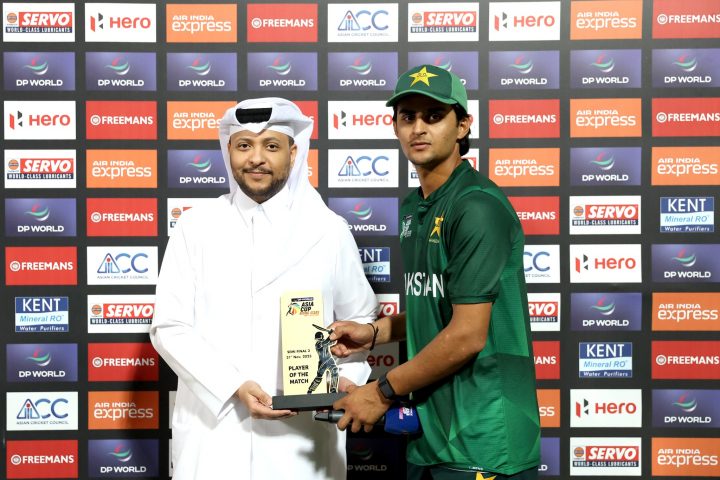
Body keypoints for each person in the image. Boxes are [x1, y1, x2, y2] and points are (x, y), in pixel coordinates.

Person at [330, 65, 541, 479]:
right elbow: (437, 306)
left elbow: (466, 335)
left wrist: (382, 391)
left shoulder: (476, 206)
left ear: (462, 125)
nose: (418, 128)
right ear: (395, 127)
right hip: (431, 435)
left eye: (433, 116)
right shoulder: (415, 206)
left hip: (484, 439)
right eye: (407, 117)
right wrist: (375, 333)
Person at [150, 97, 378, 480]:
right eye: (244, 145)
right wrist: (233, 386)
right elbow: (169, 327)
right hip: (215, 434)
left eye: (271, 146)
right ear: (229, 150)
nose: (256, 158)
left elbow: (360, 320)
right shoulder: (195, 227)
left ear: (293, 152)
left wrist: (344, 380)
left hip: (301, 440)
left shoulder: (328, 230)